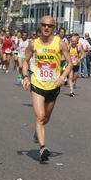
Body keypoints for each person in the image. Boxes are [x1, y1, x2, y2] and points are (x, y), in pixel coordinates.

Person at [21, 16, 73, 162]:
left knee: (45, 119)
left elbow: (69, 63)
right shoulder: (33, 44)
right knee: (39, 116)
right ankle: (43, 147)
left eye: (49, 26)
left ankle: (37, 133)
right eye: (43, 25)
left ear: (54, 28)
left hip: (53, 86)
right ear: (39, 26)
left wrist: (62, 77)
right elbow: (25, 61)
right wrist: (25, 77)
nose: (46, 28)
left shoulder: (60, 44)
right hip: (37, 84)